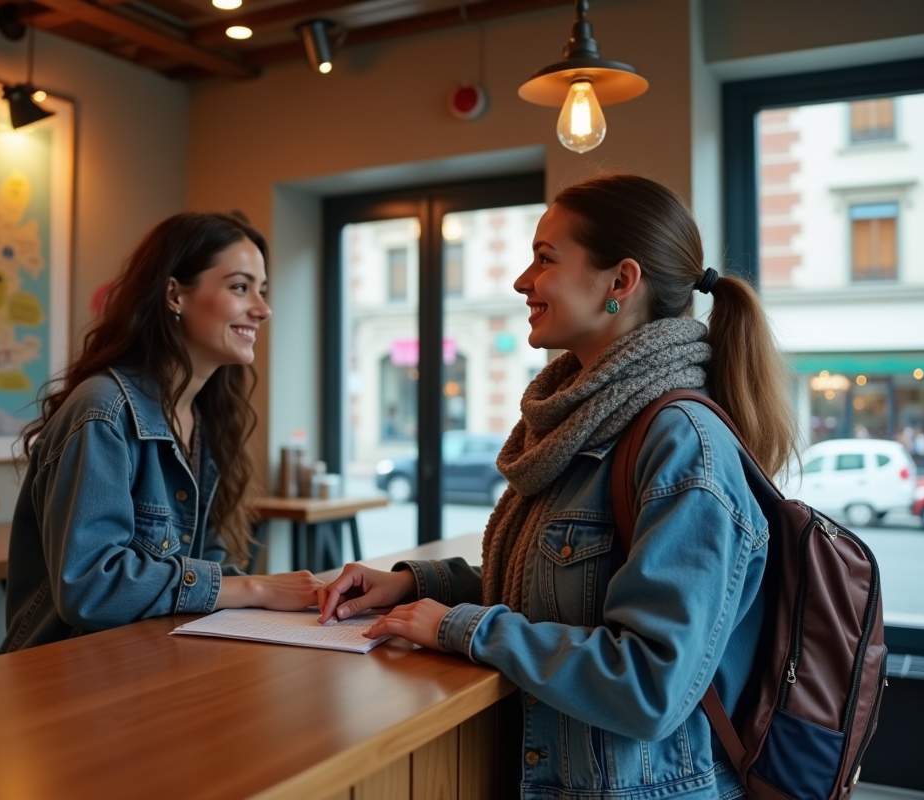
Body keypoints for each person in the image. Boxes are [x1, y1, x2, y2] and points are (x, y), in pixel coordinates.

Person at [318, 175, 798, 799]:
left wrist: (458, 626)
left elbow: (651, 685)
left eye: (545, 259)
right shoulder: (588, 421)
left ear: (620, 282)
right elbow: (553, 587)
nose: (522, 281)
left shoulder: (682, 444)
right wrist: (415, 583)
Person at [2, 212, 320, 653]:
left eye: (262, 291)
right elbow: (90, 586)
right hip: (65, 675)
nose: (263, 310)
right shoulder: (103, 412)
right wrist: (257, 589)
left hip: (147, 659)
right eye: (240, 287)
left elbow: (201, 565)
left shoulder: (201, 418)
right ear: (175, 294)